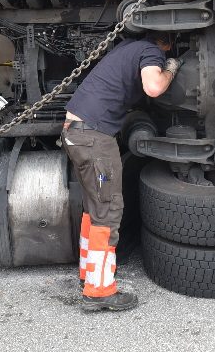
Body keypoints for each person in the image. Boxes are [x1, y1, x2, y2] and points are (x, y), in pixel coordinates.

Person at [62, 31, 181, 312]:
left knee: (94, 208)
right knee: (108, 209)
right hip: (94, 138)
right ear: (166, 41)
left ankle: (89, 274)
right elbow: (153, 87)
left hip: (76, 133)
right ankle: (99, 291)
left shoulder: (127, 48)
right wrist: (171, 69)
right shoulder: (152, 52)